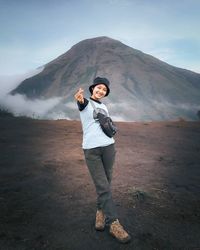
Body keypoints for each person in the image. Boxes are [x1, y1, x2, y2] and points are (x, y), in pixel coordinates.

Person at [74, 77, 131, 244]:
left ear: (106, 93)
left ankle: (100, 211)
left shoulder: (104, 106)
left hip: (109, 148)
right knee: (102, 186)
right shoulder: (84, 103)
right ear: (93, 89)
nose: (101, 91)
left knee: (107, 182)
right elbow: (81, 103)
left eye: (104, 90)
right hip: (92, 150)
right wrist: (79, 99)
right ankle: (113, 223)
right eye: (99, 88)